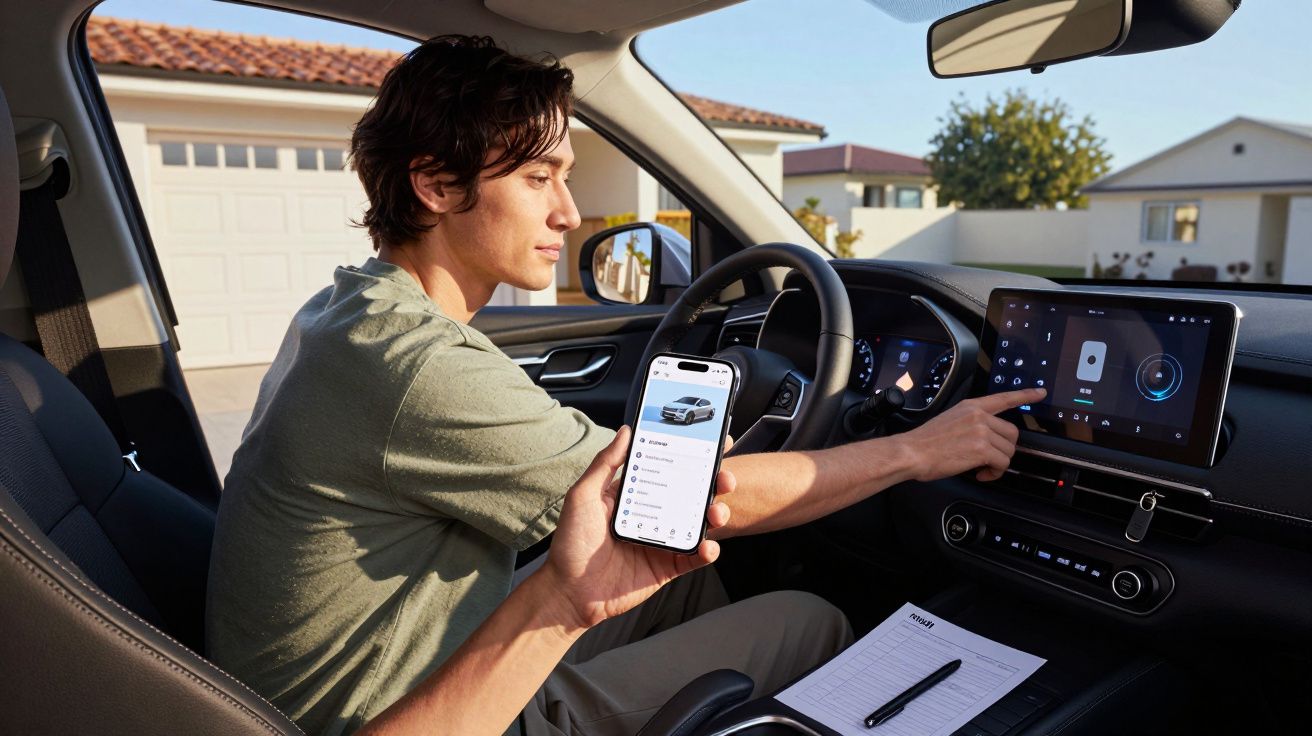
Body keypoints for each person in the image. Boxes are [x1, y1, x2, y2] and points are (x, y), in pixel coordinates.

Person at [205, 35, 1043, 736]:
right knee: (807, 617)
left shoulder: (350, 310)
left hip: (373, 666)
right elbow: (683, 499)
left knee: (692, 583)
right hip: (388, 710)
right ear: (435, 185)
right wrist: (915, 449)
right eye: (538, 180)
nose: (569, 213)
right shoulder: (415, 366)